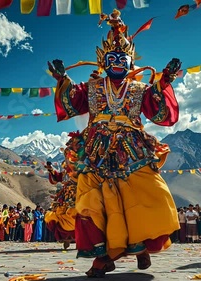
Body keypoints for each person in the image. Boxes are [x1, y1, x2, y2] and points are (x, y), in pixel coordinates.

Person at [47, 10, 182, 278]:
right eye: (112, 58)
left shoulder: (139, 89)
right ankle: (103, 259)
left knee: (145, 194)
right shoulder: (92, 87)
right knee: (91, 201)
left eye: (123, 58)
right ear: (103, 60)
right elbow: (72, 102)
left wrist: (164, 80)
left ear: (131, 61)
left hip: (131, 149)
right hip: (95, 150)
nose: (118, 62)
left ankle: (139, 245)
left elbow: (158, 112)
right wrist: (62, 80)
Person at [45, 132, 82, 249]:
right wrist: (51, 170)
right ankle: (67, 237)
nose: (67, 156)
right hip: (66, 194)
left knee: (78, 214)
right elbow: (59, 178)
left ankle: (79, 238)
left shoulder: (81, 165)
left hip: (79, 191)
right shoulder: (66, 169)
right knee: (60, 214)